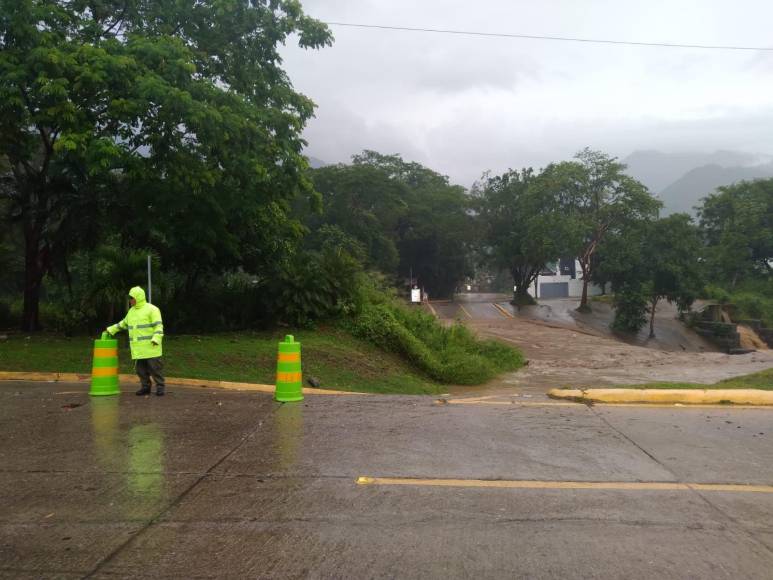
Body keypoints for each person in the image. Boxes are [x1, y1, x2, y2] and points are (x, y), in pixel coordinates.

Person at [106, 286, 165, 396]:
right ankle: (145, 387)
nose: (130, 300)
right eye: (129, 298)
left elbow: (158, 326)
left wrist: (156, 339)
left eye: (132, 298)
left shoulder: (152, 309)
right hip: (138, 349)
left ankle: (160, 387)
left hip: (151, 347)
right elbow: (123, 323)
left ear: (138, 297)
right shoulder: (131, 312)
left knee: (155, 369)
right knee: (140, 370)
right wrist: (111, 329)